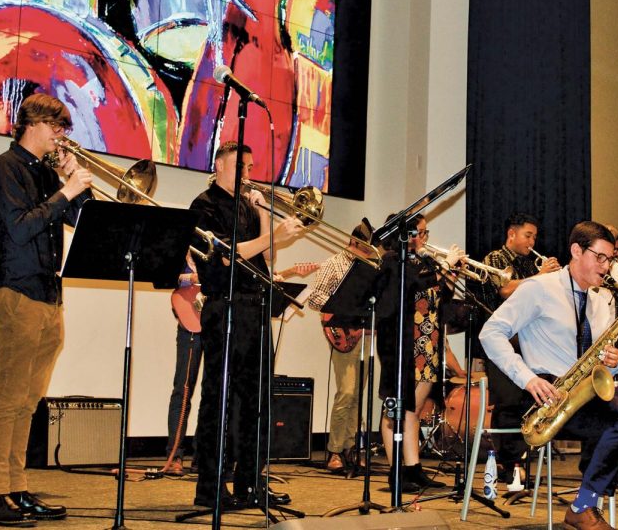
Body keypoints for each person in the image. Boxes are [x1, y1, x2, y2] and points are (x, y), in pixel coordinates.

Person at [480, 221, 618, 530]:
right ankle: (582, 505)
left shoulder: (599, 298)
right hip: (551, 393)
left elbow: (600, 359)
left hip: (586, 390)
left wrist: (613, 362)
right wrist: (527, 378)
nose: (606, 267)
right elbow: (490, 332)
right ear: (576, 251)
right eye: (599, 257)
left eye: (610, 259)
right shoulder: (540, 288)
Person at [0, 93, 93, 527]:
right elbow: (19, 228)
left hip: (48, 297)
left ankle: (16, 488)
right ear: (34, 124)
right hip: (18, 294)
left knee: (28, 402)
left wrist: (72, 185)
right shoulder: (4, 168)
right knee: (8, 399)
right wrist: (65, 189)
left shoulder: (46, 174)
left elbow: (81, 220)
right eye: (57, 128)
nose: (61, 136)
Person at [189, 141, 304, 509]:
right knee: (219, 401)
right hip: (225, 309)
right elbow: (225, 257)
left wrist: (265, 214)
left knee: (257, 403)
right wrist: (272, 235)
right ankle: (210, 487)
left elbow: (267, 254)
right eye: (240, 165)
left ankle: (251, 482)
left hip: (254, 309)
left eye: (251, 167)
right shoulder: (204, 206)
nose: (247, 173)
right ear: (219, 165)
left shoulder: (246, 205)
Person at [377, 214, 465, 494]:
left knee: (413, 410)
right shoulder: (393, 262)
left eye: (426, 233)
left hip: (427, 344)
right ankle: (396, 472)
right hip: (402, 344)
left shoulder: (424, 262)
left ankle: (413, 469)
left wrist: (451, 275)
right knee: (397, 409)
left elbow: (442, 300)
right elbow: (409, 290)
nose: (424, 239)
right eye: (420, 232)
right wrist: (443, 268)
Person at [479, 213, 559, 482]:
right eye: (528, 235)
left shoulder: (528, 264)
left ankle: (521, 459)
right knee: (507, 401)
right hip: (502, 342)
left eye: (535, 236)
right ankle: (507, 462)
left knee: (524, 401)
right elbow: (504, 289)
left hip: (527, 343)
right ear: (511, 234)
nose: (532, 241)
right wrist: (540, 276)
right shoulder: (495, 259)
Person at [305, 219, 378, 472]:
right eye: (365, 248)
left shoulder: (370, 267)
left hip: (364, 332)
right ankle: (334, 450)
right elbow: (314, 299)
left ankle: (351, 446)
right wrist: (340, 300)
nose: (368, 253)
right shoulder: (334, 264)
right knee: (346, 391)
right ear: (353, 242)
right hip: (342, 332)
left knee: (359, 394)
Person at [164, 253, 203, 477]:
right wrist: (194, 277)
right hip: (189, 325)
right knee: (183, 389)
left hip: (214, 319)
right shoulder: (177, 249)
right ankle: (175, 455)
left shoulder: (214, 251)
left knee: (215, 392)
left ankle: (202, 457)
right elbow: (164, 277)